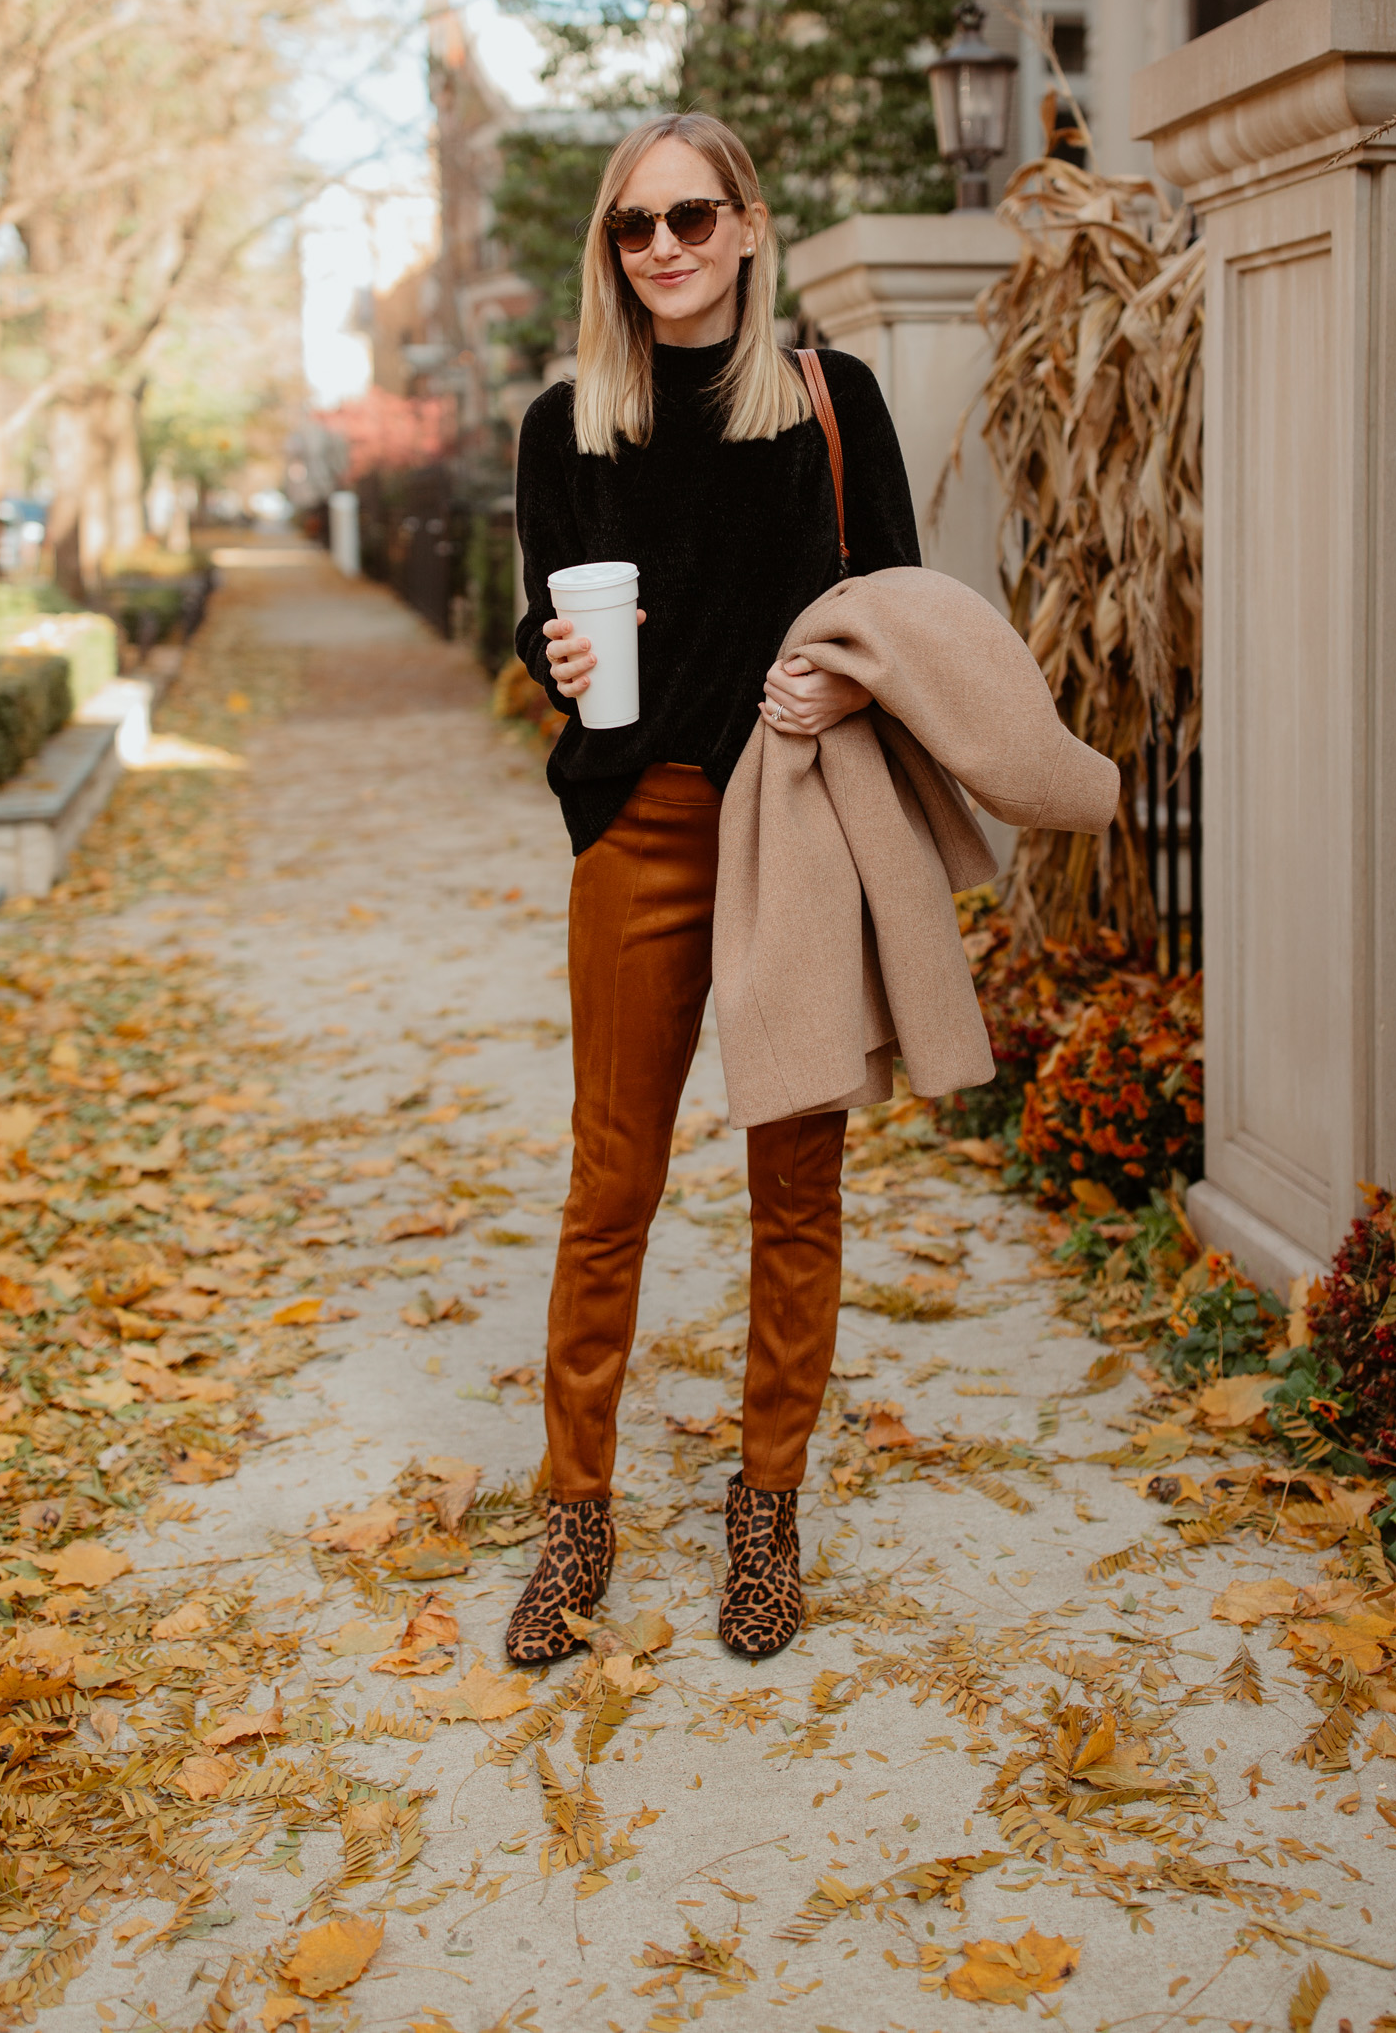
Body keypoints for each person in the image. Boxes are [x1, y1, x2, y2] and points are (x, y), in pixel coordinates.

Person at [507, 112, 920, 1665]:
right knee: (611, 1178)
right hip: (644, 825)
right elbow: (541, 635)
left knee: (796, 1178)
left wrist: (843, 689)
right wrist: (552, 664)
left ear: (748, 224)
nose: (664, 248)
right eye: (634, 228)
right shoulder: (570, 425)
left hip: (796, 818)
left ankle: (767, 1508)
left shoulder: (831, 400)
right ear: (610, 251)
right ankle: (575, 1516)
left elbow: (896, 601)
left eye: (691, 217)